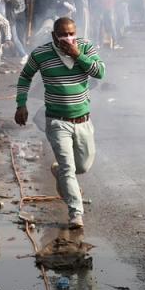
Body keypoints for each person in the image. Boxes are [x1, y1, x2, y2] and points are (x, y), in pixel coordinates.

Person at [15, 17, 105, 230]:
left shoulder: (85, 48)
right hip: (57, 121)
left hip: (82, 120)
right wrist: (21, 104)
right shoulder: (41, 54)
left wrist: (78, 55)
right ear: (54, 35)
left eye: (71, 33)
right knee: (68, 167)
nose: (68, 38)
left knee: (82, 166)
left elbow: (99, 72)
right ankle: (76, 213)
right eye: (63, 34)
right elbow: (25, 77)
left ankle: (59, 172)